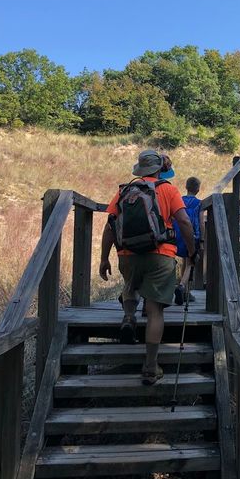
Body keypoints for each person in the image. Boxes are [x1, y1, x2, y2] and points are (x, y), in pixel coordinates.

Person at [99, 150, 197, 386]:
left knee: (130, 284)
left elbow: (110, 227)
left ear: (140, 170)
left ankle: (129, 317)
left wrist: (104, 258)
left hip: (127, 254)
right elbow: (183, 221)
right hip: (160, 255)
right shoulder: (168, 189)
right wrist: (192, 251)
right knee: (155, 311)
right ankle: (151, 367)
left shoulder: (124, 191)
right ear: (159, 169)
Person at [174, 176, 203, 305]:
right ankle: (181, 286)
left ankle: (185, 291)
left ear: (186, 187)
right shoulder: (198, 203)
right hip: (192, 235)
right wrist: (202, 238)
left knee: (184, 261)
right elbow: (201, 222)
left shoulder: (179, 200)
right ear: (198, 190)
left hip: (178, 235)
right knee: (190, 262)